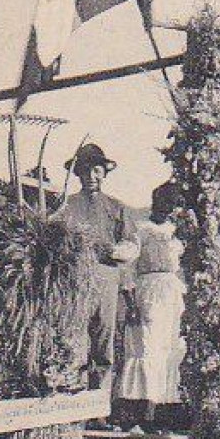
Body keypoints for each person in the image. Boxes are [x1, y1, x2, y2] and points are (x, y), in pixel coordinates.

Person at [54, 142, 138, 389]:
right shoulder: (65, 206)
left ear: (104, 173)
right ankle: (71, 396)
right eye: (85, 170)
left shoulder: (115, 207)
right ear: (78, 173)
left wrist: (111, 250)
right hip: (73, 278)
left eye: (97, 171)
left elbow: (132, 245)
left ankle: (98, 402)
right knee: (72, 335)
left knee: (103, 337)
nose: (91, 176)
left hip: (105, 276)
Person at [114, 182, 186, 430]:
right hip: (148, 291)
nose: (166, 208)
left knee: (169, 349)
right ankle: (137, 410)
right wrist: (130, 299)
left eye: (172, 204)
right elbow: (128, 266)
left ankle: (163, 410)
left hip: (172, 293)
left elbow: (183, 267)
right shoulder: (141, 230)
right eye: (162, 202)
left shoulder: (178, 232)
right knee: (145, 347)